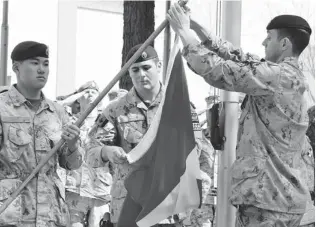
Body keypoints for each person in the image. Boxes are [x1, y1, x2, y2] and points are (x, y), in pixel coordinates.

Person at [167, 4, 313, 226]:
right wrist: (198, 29)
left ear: (284, 44)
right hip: (279, 200)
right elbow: (242, 59)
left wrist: (185, 33)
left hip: (268, 202)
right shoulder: (286, 76)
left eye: (269, 38)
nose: (264, 43)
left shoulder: (278, 77)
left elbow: (220, 71)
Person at [86, 44, 214, 227]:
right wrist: (106, 151)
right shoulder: (116, 110)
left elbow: (198, 150)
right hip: (129, 207)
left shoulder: (180, 107)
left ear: (159, 66)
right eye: (135, 70)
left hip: (168, 208)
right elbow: (90, 150)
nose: (141, 74)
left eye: (146, 67)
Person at [0, 41, 83, 227]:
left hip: (51, 215)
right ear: (16, 67)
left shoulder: (57, 111)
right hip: (12, 215)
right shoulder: (2, 108)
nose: (42, 69)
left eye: (45, 64)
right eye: (34, 63)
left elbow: (72, 165)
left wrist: (72, 145)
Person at [58, 81, 112, 227]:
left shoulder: (107, 123)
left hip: (100, 191)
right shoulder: (69, 122)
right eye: (86, 92)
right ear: (78, 98)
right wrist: (77, 95)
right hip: (74, 191)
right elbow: (56, 106)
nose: (90, 95)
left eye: (94, 93)